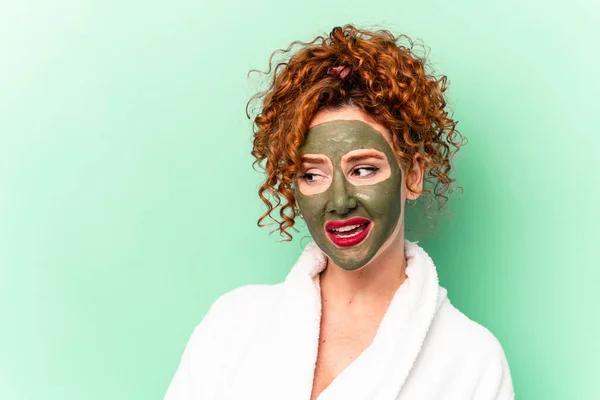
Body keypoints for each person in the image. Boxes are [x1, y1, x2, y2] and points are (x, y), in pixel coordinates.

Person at [165, 25, 514, 400]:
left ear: (412, 176)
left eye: (363, 169)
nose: (339, 200)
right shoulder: (232, 325)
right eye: (312, 174)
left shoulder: (470, 360)